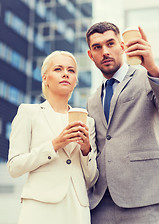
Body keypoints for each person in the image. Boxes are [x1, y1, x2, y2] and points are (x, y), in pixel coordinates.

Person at [85, 22, 159, 224]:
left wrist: (152, 67)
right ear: (91, 55)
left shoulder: (147, 78)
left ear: (122, 46)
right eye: (97, 47)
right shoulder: (92, 100)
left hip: (144, 197)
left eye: (110, 43)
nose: (105, 51)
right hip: (101, 203)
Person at [7, 50, 99, 224]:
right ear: (45, 78)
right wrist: (55, 144)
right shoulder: (29, 113)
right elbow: (14, 167)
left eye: (71, 71)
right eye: (58, 69)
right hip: (40, 206)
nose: (66, 73)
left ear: (75, 81)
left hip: (77, 207)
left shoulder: (88, 121)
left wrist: (86, 149)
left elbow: (91, 178)